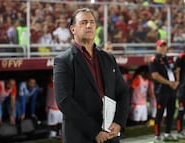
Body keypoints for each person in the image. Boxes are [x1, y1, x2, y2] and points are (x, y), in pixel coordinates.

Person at [53, 8, 129, 143]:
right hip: (81, 136)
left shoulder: (108, 58)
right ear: (73, 29)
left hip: (110, 135)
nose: (89, 25)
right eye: (83, 22)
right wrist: (94, 131)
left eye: (92, 22)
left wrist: (119, 122)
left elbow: (122, 92)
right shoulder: (63, 61)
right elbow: (65, 101)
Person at [148, 40, 179, 143]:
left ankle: (167, 133)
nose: (163, 48)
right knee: (160, 113)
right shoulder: (154, 60)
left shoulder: (168, 59)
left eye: (164, 46)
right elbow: (155, 75)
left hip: (171, 89)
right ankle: (157, 136)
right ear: (157, 47)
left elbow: (174, 71)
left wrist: (176, 82)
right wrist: (169, 83)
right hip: (161, 90)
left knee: (171, 112)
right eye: (161, 46)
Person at [46, 74, 63, 138]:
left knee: (60, 124)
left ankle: (60, 135)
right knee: (53, 126)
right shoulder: (50, 84)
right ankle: (52, 136)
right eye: (52, 76)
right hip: (52, 109)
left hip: (59, 109)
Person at [174, 51, 185, 139]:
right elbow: (177, 69)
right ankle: (179, 131)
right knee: (181, 110)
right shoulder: (181, 56)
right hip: (183, 89)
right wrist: (177, 81)